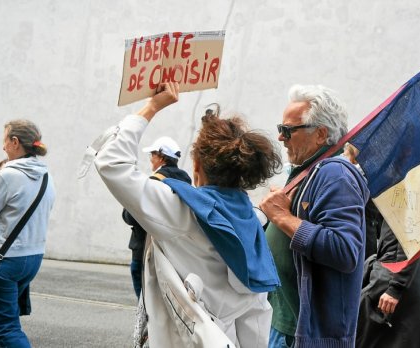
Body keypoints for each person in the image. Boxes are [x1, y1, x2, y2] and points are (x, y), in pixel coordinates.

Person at [94, 82, 281, 347]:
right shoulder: (251, 219)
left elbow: (110, 162)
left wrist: (152, 106)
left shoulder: (180, 210)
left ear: (196, 165)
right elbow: (256, 316)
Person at [259, 84, 368, 347]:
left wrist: (282, 217)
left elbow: (344, 250)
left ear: (320, 134)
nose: (281, 138)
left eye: (288, 130)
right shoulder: (310, 169)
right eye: (280, 129)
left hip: (304, 334)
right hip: (285, 325)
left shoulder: (336, 175)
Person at [0, 119, 56, 347]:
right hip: (32, 259)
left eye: (5, 140)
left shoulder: (7, 175)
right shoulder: (46, 176)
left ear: (14, 142)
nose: (3, 147)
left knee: (5, 326)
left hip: (2, 261)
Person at [356, 221, 420, 347]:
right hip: (409, 270)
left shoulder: (416, 202)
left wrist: (396, 287)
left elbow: (411, 238)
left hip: (398, 271)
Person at [122, 136, 191, 299]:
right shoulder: (185, 182)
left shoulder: (152, 182)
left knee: (146, 303)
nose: (151, 159)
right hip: (176, 252)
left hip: (146, 250)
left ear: (161, 157)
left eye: (152, 155)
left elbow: (129, 217)